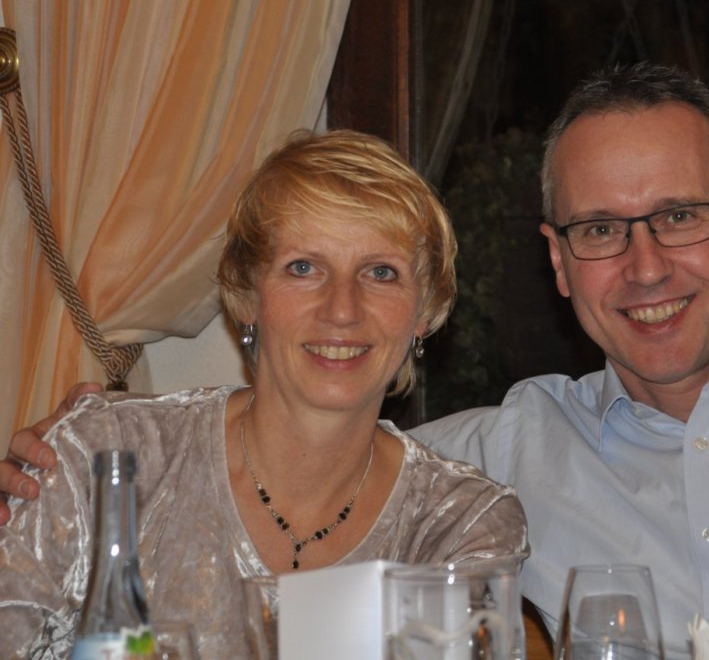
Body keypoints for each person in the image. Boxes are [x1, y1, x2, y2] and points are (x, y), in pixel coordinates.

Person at [6, 63, 709, 659]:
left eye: (678, 217)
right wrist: (83, 454)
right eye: (600, 229)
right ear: (559, 263)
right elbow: (325, 431)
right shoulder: (508, 456)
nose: (645, 265)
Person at [0, 129, 528, 657]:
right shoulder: (113, 457)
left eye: (381, 272)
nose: (342, 309)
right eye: (304, 267)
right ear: (246, 295)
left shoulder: (458, 524)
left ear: (424, 311)